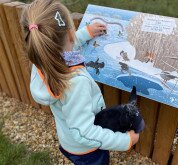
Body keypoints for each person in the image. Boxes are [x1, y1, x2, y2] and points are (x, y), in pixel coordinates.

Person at [20, 0, 139, 164]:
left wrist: (85, 33)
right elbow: (85, 132)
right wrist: (125, 141)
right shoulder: (75, 83)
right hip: (88, 152)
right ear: (70, 34)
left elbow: (61, 47)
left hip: (68, 142)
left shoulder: (41, 60)